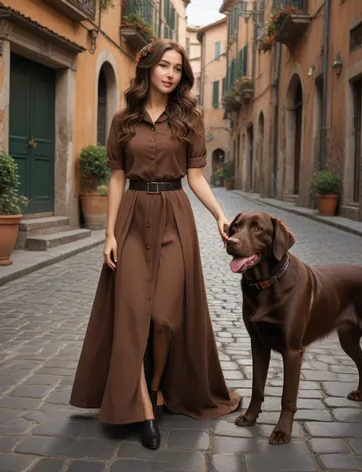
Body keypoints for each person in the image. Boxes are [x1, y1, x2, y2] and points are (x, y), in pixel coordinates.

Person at [69, 39, 241, 450]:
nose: (170, 73)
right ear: (148, 67)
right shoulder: (123, 119)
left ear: (183, 76)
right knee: (130, 314)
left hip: (175, 216)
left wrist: (219, 214)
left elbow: (196, 176)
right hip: (131, 217)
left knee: (165, 317)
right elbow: (116, 177)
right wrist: (109, 233)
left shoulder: (189, 119)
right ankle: (143, 408)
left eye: (177, 68)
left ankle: (158, 386)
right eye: (163, 65)